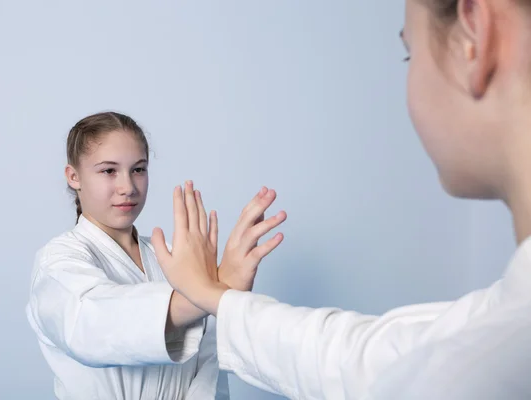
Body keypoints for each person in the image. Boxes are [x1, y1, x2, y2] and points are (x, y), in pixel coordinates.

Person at [150, 0, 531, 399]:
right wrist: (216, 296)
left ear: (473, 37)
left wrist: (207, 296)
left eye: (409, 53)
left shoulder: (485, 371)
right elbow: (377, 356)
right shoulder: (498, 325)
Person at [25, 111, 286, 399]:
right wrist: (211, 294)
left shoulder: (175, 258)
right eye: (108, 171)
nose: (128, 187)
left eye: (138, 169)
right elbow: (91, 324)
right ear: (74, 176)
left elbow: (210, 363)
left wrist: (218, 294)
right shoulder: (57, 261)